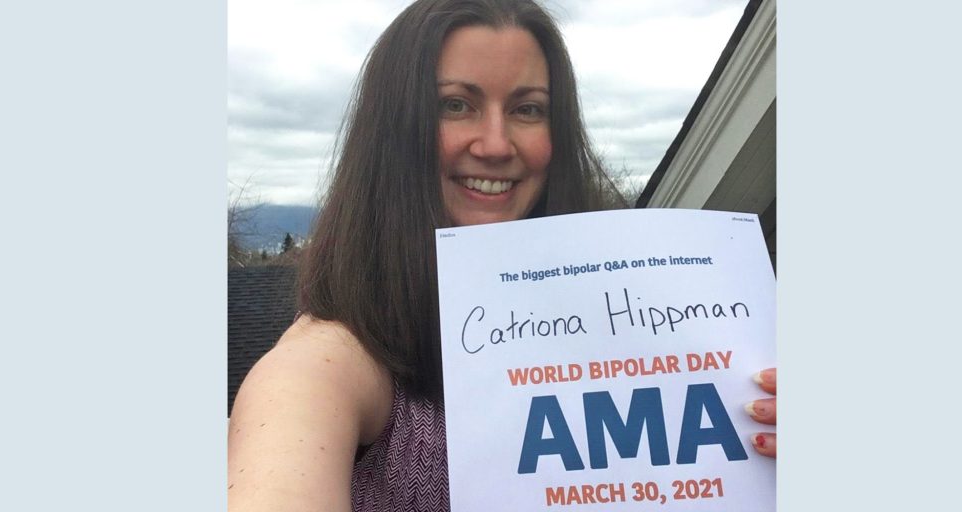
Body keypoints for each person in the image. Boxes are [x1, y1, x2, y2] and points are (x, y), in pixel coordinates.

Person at [227, 0, 776, 510]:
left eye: (527, 109)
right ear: (393, 131)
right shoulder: (328, 362)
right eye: (455, 105)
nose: (494, 144)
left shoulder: (645, 324)